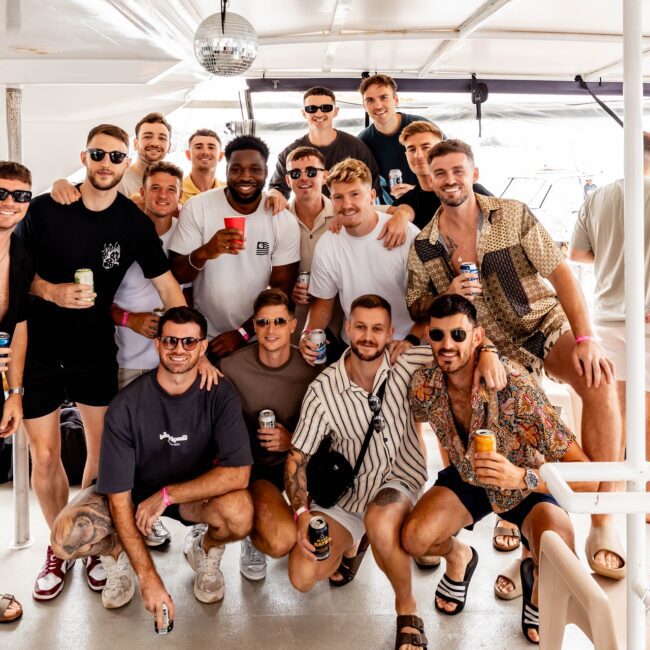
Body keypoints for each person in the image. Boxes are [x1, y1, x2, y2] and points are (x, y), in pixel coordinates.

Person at [406, 138, 624, 581]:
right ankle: (515, 519)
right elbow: (416, 307)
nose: (450, 180)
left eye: (457, 170)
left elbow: (560, 274)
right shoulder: (425, 246)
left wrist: (584, 337)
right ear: (428, 180)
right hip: (488, 344)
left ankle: (602, 520)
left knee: (599, 379)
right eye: (440, 173)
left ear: (473, 172)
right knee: (503, 408)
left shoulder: (513, 213)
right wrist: (447, 297)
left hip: (541, 325)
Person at [15, 123, 186, 602]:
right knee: (45, 457)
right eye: (98, 154)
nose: (106, 164)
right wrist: (51, 291)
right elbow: (15, 276)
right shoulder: (48, 208)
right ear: (84, 156)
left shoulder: (132, 224)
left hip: (93, 349)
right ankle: (59, 547)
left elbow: (169, 287)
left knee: (102, 455)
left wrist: (192, 345)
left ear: (128, 163)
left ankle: (90, 543)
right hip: (41, 350)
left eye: (116, 158)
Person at [401, 294, 597, 644]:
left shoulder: (514, 388)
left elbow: (588, 477)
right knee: (415, 538)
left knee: (559, 549)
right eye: (438, 335)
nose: (447, 345)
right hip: (468, 479)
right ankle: (460, 556)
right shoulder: (424, 385)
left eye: (458, 335)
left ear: (478, 337)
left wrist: (521, 477)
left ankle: (536, 584)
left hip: (525, 484)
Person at [49, 307, 253, 623]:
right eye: (170, 341)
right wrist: (149, 578)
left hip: (190, 497)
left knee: (240, 513)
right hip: (135, 497)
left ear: (202, 347)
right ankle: (117, 556)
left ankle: (204, 548)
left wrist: (168, 495)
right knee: (64, 537)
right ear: (157, 344)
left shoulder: (220, 394)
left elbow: (239, 473)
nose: (179, 350)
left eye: (189, 343)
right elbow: (118, 499)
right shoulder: (127, 405)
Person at [286, 294, 430, 650]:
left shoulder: (406, 362)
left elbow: (460, 352)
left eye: (377, 329)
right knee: (302, 577)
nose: (368, 336)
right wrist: (302, 514)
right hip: (348, 492)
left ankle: (407, 609)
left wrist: (487, 353)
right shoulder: (323, 389)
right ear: (347, 328)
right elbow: (297, 458)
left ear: (390, 332)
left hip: (399, 477)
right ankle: (353, 545)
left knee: (380, 521)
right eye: (361, 327)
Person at [111, 160, 220, 549]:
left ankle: (186, 515)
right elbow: (95, 297)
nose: (161, 195)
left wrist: (197, 353)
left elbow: (183, 291)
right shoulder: (120, 232)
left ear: (180, 198)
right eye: (154, 188)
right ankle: (138, 523)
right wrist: (129, 318)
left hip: (176, 361)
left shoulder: (182, 236)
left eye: (170, 190)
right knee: (133, 448)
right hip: (128, 358)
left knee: (182, 442)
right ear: (142, 191)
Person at [569, 131, 650, 527]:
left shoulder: (598, 197)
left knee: (614, 410)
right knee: (647, 411)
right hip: (646, 318)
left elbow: (577, 253)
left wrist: (612, 256)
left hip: (604, 315)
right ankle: (647, 497)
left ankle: (611, 498)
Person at [169, 135, 300, 361]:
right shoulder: (198, 207)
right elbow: (177, 274)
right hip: (202, 336)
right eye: (237, 169)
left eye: (254, 169)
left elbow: (281, 290)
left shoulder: (281, 219)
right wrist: (206, 252)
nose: (246, 177)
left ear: (266, 171)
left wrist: (242, 333)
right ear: (226, 169)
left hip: (254, 336)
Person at [220, 289, 319, 580]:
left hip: (301, 466)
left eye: (278, 322)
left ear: (292, 325)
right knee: (280, 542)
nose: (270, 329)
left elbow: (332, 430)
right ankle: (254, 535)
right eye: (263, 322)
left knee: (315, 553)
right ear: (254, 326)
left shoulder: (313, 369)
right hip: (257, 470)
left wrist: (294, 441)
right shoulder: (231, 367)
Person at [299, 158, 424, 366]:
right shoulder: (328, 244)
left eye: (355, 194)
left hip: (406, 345)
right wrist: (307, 333)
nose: (346, 205)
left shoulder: (407, 234)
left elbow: (431, 302)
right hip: (356, 348)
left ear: (372, 196)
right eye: (338, 197)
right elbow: (323, 302)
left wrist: (412, 340)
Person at [0, 160, 35, 624]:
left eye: (20, 196)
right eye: (3, 193)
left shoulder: (22, 252)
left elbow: (19, 327)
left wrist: (15, 392)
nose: (10, 203)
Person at [268, 86, 381, 200]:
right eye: (312, 108)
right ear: (304, 113)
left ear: (335, 111)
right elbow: (277, 190)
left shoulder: (357, 149)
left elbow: (372, 192)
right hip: (308, 216)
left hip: (349, 214)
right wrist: (274, 195)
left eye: (326, 108)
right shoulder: (290, 153)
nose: (318, 113)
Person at [284, 146, 343, 344]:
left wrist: (402, 214)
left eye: (311, 172)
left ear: (324, 176)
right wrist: (288, 286)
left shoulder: (345, 212)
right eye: (295, 173)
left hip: (340, 324)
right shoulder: (278, 219)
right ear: (287, 180)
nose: (303, 178)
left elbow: (389, 212)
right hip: (295, 325)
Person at [390, 120, 492, 230]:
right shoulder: (403, 204)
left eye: (426, 147)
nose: (418, 155)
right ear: (406, 155)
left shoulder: (471, 190)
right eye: (412, 149)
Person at [50, 112, 172, 204]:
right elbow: (86, 187)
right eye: (147, 136)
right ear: (135, 143)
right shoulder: (116, 176)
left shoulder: (174, 182)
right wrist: (62, 184)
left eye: (162, 138)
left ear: (169, 146)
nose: (155, 143)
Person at [357, 74, 429, 204]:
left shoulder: (423, 128)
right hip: (392, 211)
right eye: (370, 100)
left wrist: (415, 191)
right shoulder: (362, 142)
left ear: (395, 100)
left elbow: (447, 171)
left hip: (429, 201)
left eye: (384, 97)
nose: (378, 106)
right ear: (364, 106)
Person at [180, 128, 225, 204]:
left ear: (220, 156)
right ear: (188, 155)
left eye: (211, 147)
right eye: (199, 147)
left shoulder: (229, 192)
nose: (205, 152)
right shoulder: (175, 191)